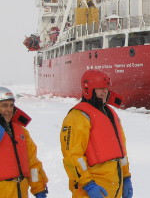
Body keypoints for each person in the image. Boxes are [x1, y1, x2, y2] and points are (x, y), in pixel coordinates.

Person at [60, 69, 133, 198]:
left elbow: (122, 151)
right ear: (89, 89)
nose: (105, 91)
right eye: (100, 88)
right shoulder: (78, 116)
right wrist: (88, 184)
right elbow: (72, 156)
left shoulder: (110, 113)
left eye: (106, 88)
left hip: (114, 188)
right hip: (91, 190)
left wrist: (126, 176)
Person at [0, 87, 48, 198]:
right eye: (4, 105)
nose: (9, 110)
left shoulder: (21, 132)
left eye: (11, 105)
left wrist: (39, 188)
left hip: (21, 191)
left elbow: (32, 163)